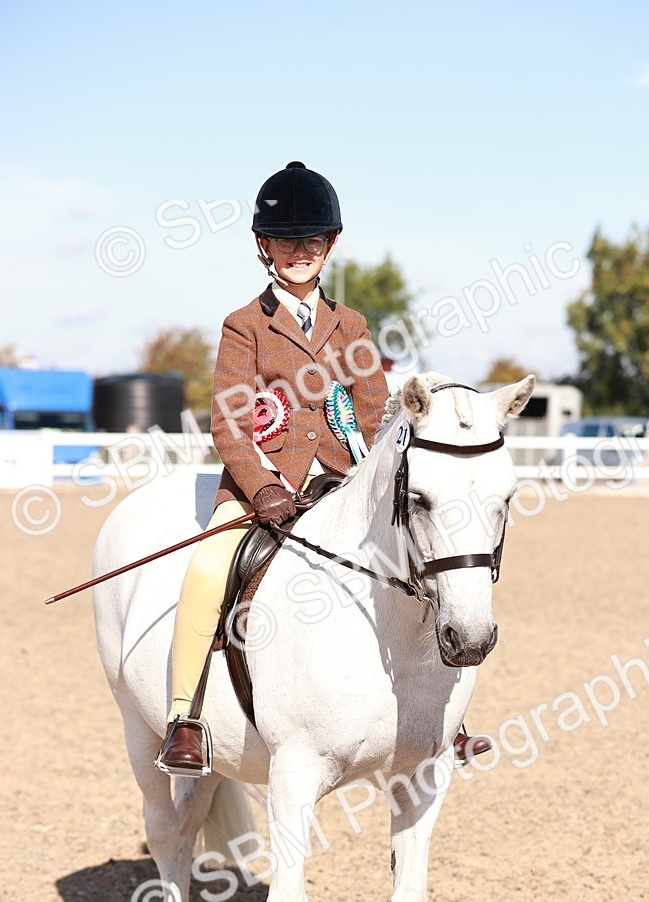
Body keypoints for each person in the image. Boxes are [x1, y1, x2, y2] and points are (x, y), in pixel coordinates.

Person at [156, 161, 492, 775]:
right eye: (288, 242)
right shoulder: (244, 326)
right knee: (208, 567)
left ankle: (447, 716)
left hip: (343, 484)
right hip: (265, 485)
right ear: (265, 247)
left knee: (421, 557)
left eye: (312, 241)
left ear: (330, 245)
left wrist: (371, 475)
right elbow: (230, 422)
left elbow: (375, 416)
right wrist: (261, 489)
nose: (301, 252)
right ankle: (186, 716)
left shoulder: (352, 326)